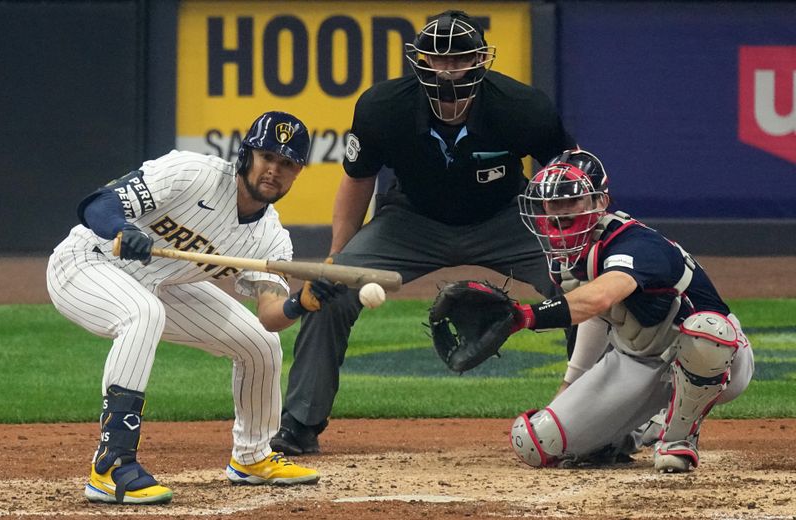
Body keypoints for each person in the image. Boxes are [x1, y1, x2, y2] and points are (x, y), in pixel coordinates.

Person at [270, 9, 577, 456]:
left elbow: (568, 174)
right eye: (438, 58)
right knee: (328, 289)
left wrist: (579, 249)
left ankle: (590, 420)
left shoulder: (522, 107)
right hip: (410, 221)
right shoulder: (382, 107)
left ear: (479, 60)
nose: (449, 68)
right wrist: (335, 258)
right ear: (420, 61)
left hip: (507, 217)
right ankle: (300, 423)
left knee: (580, 284)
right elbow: (358, 180)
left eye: (461, 58)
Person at [46, 111, 347, 504]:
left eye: (287, 163)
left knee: (258, 344)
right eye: (267, 157)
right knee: (143, 313)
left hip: (159, 283)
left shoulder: (271, 238)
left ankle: (253, 457)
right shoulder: (192, 172)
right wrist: (124, 229)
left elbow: (270, 316)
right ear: (246, 155)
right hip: (85, 263)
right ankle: (112, 465)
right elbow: (97, 204)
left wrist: (302, 302)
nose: (274, 169)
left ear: (297, 173)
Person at [506, 149, 754, 472]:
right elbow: (599, 315)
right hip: (636, 362)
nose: (558, 212)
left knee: (708, 330)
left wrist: (527, 315)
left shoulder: (635, 243)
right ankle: (639, 428)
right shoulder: (565, 260)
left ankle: (678, 437)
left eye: (571, 200)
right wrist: (570, 386)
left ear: (600, 202)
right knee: (536, 442)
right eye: (552, 202)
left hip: (715, 359)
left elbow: (599, 297)